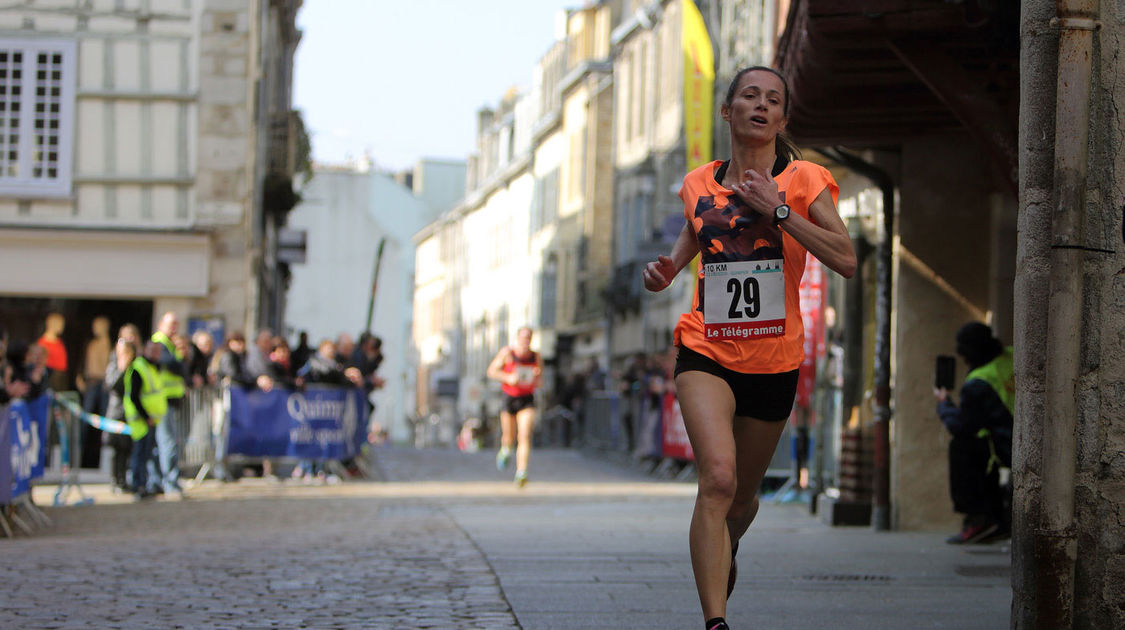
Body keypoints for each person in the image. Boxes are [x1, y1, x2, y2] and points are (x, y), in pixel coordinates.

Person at [642, 66, 856, 630]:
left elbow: (846, 259)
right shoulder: (697, 182)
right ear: (728, 110)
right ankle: (716, 622)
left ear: (782, 118)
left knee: (741, 500)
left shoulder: (806, 179)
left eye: (773, 100)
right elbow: (691, 242)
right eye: (749, 96)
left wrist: (778, 211)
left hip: (774, 359)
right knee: (717, 476)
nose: (760, 106)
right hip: (705, 348)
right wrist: (665, 273)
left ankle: (726, 546)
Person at [934, 322, 1013, 544]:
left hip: (1012, 445)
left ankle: (980, 518)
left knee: (963, 445)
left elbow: (961, 427)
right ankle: (995, 518)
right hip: (1029, 436)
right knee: (980, 441)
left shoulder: (979, 382)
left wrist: (944, 405)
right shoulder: (1012, 357)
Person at [486, 326, 542, 488]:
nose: (525, 341)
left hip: (526, 398)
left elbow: (540, 382)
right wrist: (508, 377)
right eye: (523, 338)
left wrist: (536, 377)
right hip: (509, 397)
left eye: (528, 338)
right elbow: (491, 371)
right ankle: (505, 450)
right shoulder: (507, 353)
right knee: (509, 436)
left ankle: (521, 472)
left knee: (524, 435)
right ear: (517, 338)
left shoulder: (536, 356)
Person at [124, 340, 167, 502]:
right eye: (152, 351)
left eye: (157, 351)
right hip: (141, 419)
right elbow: (134, 396)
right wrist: (146, 416)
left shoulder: (152, 367)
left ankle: (146, 483)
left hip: (152, 419)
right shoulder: (139, 367)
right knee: (139, 454)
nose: (155, 354)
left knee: (147, 454)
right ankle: (138, 485)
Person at [150, 312, 186, 500]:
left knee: (162, 444)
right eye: (171, 324)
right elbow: (174, 366)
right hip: (161, 402)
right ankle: (169, 483)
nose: (174, 328)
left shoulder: (170, 344)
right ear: (161, 324)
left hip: (169, 401)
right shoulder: (159, 342)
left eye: (176, 324)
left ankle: (157, 481)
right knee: (167, 443)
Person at [103, 325, 139, 493]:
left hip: (130, 413)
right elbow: (112, 386)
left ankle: (124, 480)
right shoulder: (114, 364)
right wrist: (121, 370)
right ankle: (114, 481)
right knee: (115, 450)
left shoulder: (135, 366)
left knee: (127, 449)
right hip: (116, 412)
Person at [36, 312, 69, 391]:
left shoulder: (59, 342)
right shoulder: (43, 343)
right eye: (60, 324)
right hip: (50, 376)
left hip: (60, 377)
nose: (62, 327)